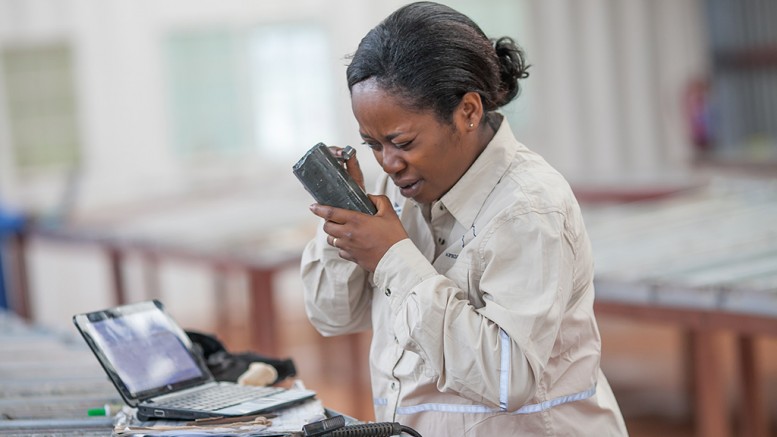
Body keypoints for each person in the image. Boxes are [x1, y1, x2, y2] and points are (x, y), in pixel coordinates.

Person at [300, 2, 628, 435]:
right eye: (373, 144)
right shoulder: (390, 189)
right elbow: (333, 317)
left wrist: (394, 257)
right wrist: (348, 214)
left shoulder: (529, 207)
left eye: (402, 141)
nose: (389, 162)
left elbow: (508, 378)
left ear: (468, 112)